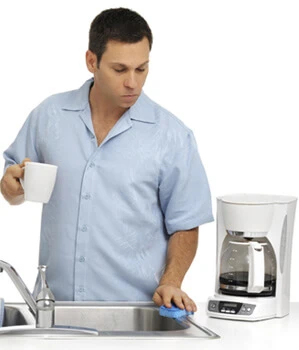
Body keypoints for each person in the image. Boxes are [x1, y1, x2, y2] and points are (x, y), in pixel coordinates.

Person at [0, 8, 214, 312]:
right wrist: (11, 186)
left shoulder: (173, 137)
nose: (133, 83)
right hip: (54, 311)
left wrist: (172, 280)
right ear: (91, 61)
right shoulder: (49, 117)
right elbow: (12, 186)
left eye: (141, 69)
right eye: (120, 69)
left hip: (135, 314)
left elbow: (186, 223)